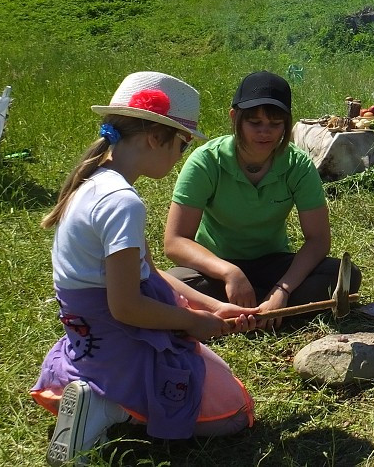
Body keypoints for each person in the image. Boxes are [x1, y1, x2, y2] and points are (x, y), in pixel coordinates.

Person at [32, 72, 256, 467]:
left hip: (90, 341)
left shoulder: (95, 183)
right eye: (182, 144)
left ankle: (97, 393)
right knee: (234, 413)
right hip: (124, 339)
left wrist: (211, 306)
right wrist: (191, 323)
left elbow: (148, 271)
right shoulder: (123, 203)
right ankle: (109, 405)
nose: (181, 155)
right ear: (156, 137)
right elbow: (127, 308)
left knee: (216, 382)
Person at [165, 71, 350, 329]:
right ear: (235, 118)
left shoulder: (297, 164)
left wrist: (282, 290)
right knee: (165, 287)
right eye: (255, 123)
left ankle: (251, 308)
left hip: (272, 261)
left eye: (275, 124)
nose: (265, 133)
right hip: (216, 266)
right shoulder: (206, 161)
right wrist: (230, 273)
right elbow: (175, 242)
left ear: (287, 124)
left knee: (342, 275)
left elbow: (318, 240)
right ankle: (266, 311)